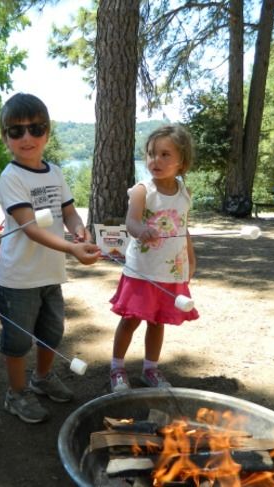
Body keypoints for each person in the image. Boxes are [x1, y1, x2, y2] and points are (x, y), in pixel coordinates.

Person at [0, 93, 101, 424]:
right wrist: (71, 248)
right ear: (5, 138)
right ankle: (16, 394)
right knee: (17, 341)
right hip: (19, 278)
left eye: (36, 128)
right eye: (16, 131)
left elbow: (68, 213)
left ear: (48, 133)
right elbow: (29, 226)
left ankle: (41, 379)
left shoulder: (54, 172)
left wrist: (79, 230)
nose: (27, 137)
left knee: (51, 334)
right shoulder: (11, 177)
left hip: (50, 274)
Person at [109, 124, 200, 393]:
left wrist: (191, 260)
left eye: (164, 154)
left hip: (171, 270)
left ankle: (150, 368)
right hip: (143, 270)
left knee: (158, 321)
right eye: (151, 154)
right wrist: (141, 231)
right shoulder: (142, 190)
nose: (155, 161)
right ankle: (116, 368)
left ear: (181, 161)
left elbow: (183, 229)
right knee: (131, 319)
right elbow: (131, 222)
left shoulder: (184, 193)